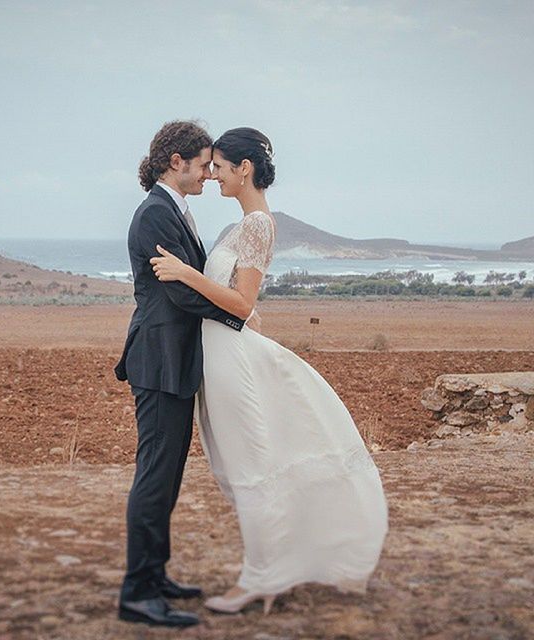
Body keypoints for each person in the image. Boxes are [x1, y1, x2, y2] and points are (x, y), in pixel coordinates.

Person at [150, 127, 389, 615]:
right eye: (209, 166)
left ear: (245, 169)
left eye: (218, 166)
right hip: (216, 357)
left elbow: (241, 302)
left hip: (229, 361)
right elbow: (243, 305)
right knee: (239, 466)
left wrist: (186, 273)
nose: (211, 174)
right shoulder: (241, 225)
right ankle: (271, 568)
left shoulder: (257, 224)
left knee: (250, 466)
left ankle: (261, 579)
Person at [114, 121, 247, 628]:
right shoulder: (154, 214)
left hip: (174, 358)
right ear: (176, 160)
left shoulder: (172, 210)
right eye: (204, 163)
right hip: (160, 358)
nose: (209, 174)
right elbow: (179, 292)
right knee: (154, 475)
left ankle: (155, 575)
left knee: (166, 476)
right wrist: (239, 316)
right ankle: (138, 592)